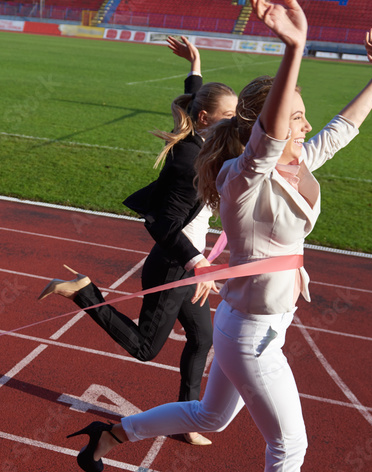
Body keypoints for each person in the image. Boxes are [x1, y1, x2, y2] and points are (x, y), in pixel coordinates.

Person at [68, 0, 372, 472]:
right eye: (295, 117)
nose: (305, 125)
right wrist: (294, 49)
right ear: (265, 125)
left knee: (208, 415)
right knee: (289, 442)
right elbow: (271, 135)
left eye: (303, 117)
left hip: (254, 322)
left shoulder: (300, 162)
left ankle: (112, 432)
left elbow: (344, 129)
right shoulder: (244, 177)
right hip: (251, 337)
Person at [39, 36, 237, 447]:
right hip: (174, 262)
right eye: (229, 116)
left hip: (187, 264)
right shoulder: (188, 160)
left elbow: (193, 100)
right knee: (147, 348)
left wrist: (196, 64)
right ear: (204, 120)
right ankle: (84, 292)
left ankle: (188, 419)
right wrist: (196, 263)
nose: (235, 123)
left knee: (203, 338)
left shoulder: (201, 142)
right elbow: (161, 226)